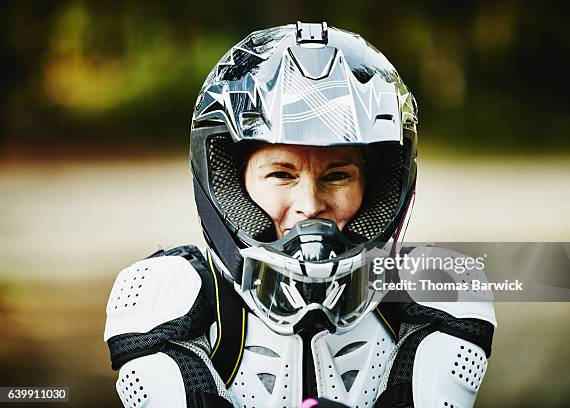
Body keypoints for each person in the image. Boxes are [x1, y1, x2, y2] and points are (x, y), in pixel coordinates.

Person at [104, 22, 496, 408]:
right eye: (280, 173)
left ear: (377, 188)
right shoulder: (164, 300)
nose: (309, 204)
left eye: (338, 175)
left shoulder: (438, 296)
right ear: (229, 183)